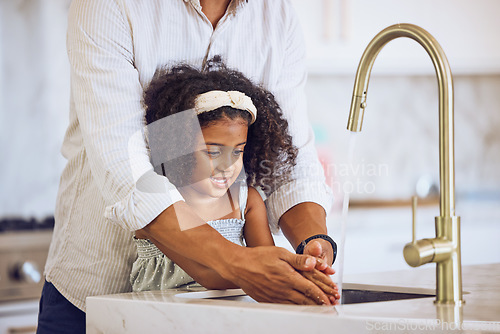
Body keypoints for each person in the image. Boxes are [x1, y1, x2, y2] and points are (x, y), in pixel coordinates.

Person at [38, 0, 336, 332]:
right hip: (89, 297)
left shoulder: (276, 13)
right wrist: (240, 263)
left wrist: (313, 244)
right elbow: (128, 172)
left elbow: (290, 162)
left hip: (219, 315)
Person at [130, 60, 339, 300]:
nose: (228, 165)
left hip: (232, 319)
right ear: (178, 148)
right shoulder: (160, 204)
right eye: (213, 152)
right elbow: (210, 274)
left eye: (238, 151)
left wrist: (304, 264)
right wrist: (286, 274)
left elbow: (267, 260)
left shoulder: (247, 201)